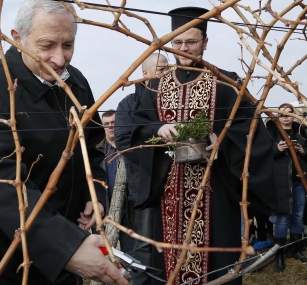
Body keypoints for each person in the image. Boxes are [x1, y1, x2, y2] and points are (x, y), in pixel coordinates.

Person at [0, 1, 129, 284]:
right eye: (47, 45)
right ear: (18, 38)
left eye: (68, 45)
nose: (60, 58)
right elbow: (0, 181)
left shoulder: (76, 84)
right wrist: (66, 247)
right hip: (14, 260)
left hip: (70, 250)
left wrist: (96, 195)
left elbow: (94, 150)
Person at [130, 7, 278, 285]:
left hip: (216, 190)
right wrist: (158, 128)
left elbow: (253, 128)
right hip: (170, 190)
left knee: (218, 263)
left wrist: (221, 138)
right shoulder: (155, 85)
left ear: (205, 43)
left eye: (191, 42)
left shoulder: (227, 82)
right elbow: (136, 126)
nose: (184, 48)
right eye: (177, 42)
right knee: (169, 264)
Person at [115, 53, 168, 285]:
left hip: (176, 183)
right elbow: (124, 142)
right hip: (145, 183)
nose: (167, 73)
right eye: (162, 69)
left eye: (169, 69)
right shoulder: (128, 104)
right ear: (145, 74)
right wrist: (158, 142)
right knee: (145, 242)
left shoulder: (174, 101)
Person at [265, 103, 307, 272]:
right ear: (278, 117)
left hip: (299, 180)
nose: (286, 116)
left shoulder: (300, 131)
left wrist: (302, 151)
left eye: (289, 113)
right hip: (281, 181)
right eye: (282, 114)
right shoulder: (271, 132)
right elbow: (264, 153)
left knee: (298, 215)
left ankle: (295, 249)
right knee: (283, 217)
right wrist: (277, 149)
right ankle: (279, 253)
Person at [96, 110, 134, 255]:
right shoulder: (97, 152)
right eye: (106, 124)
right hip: (105, 207)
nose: (110, 127)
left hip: (129, 207)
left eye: (114, 123)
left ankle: (131, 276)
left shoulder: (130, 147)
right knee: (104, 251)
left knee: (130, 251)